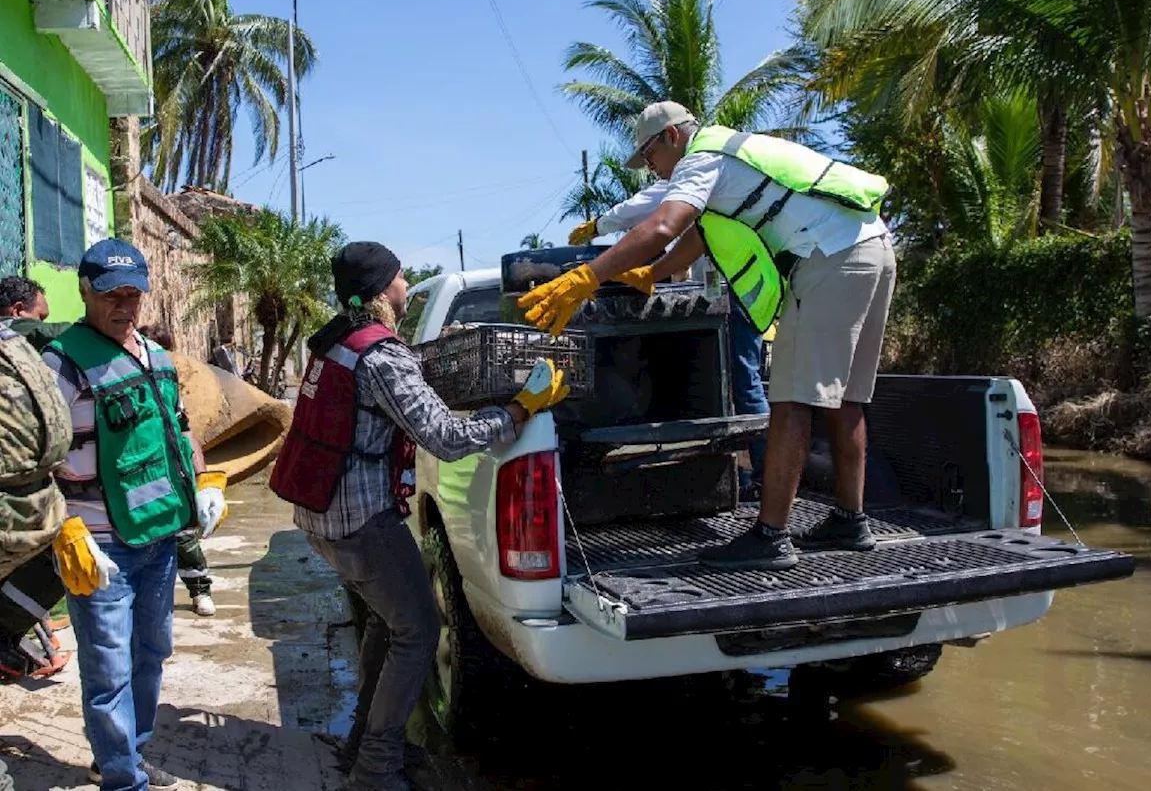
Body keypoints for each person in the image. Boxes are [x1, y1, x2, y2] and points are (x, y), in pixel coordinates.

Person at [520, 101, 897, 571]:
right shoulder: (733, 156)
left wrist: (587, 278)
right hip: (871, 246)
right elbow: (701, 236)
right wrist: (653, 274)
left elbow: (663, 225)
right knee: (846, 400)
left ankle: (771, 537)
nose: (651, 168)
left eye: (649, 155)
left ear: (671, 137)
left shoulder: (702, 157)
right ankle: (850, 520)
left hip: (828, 257)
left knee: (791, 401)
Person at [269, 241, 569, 791]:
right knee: (421, 630)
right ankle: (376, 768)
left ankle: (363, 741)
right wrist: (519, 408)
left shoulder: (336, 342)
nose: (408, 285)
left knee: (390, 621)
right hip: (361, 523)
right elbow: (448, 438)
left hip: (321, 517)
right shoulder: (382, 357)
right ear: (384, 290)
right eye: (402, 278)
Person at [43, 239, 227, 791]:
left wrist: (203, 479)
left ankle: (127, 754)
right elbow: (31, 459)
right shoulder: (61, 365)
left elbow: (179, 427)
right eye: (111, 295)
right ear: (84, 292)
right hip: (100, 546)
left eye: (133, 294)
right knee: (108, 671)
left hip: (161, 538)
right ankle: (124, 781)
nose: (124, 306)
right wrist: (64, 526)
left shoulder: (157, 356)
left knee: (152, 655)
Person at [567, 182, 770, 500]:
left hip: (740, 291)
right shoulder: (710, 180)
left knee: (744, 382)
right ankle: (752, 474)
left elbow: (646, 206)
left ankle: (767, 480)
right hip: (729, 288)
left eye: (650, 154)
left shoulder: (693, 175)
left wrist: (600, 224)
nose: (652, 164)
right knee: (737, 384)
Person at [0, 276, 74, 681]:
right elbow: (46, 329)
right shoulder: (19, 340)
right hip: (15, 502)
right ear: (16, 311)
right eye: (40, 314)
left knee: (62, 556)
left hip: (32, 494)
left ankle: (9, 629)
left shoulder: (15, 352)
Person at [137, 324, 217, 618]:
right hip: (142, 479)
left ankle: (200, 591)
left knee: (184, 536)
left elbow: (185, 430)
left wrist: (205, 480)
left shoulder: (168, 385)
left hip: (174, 475)